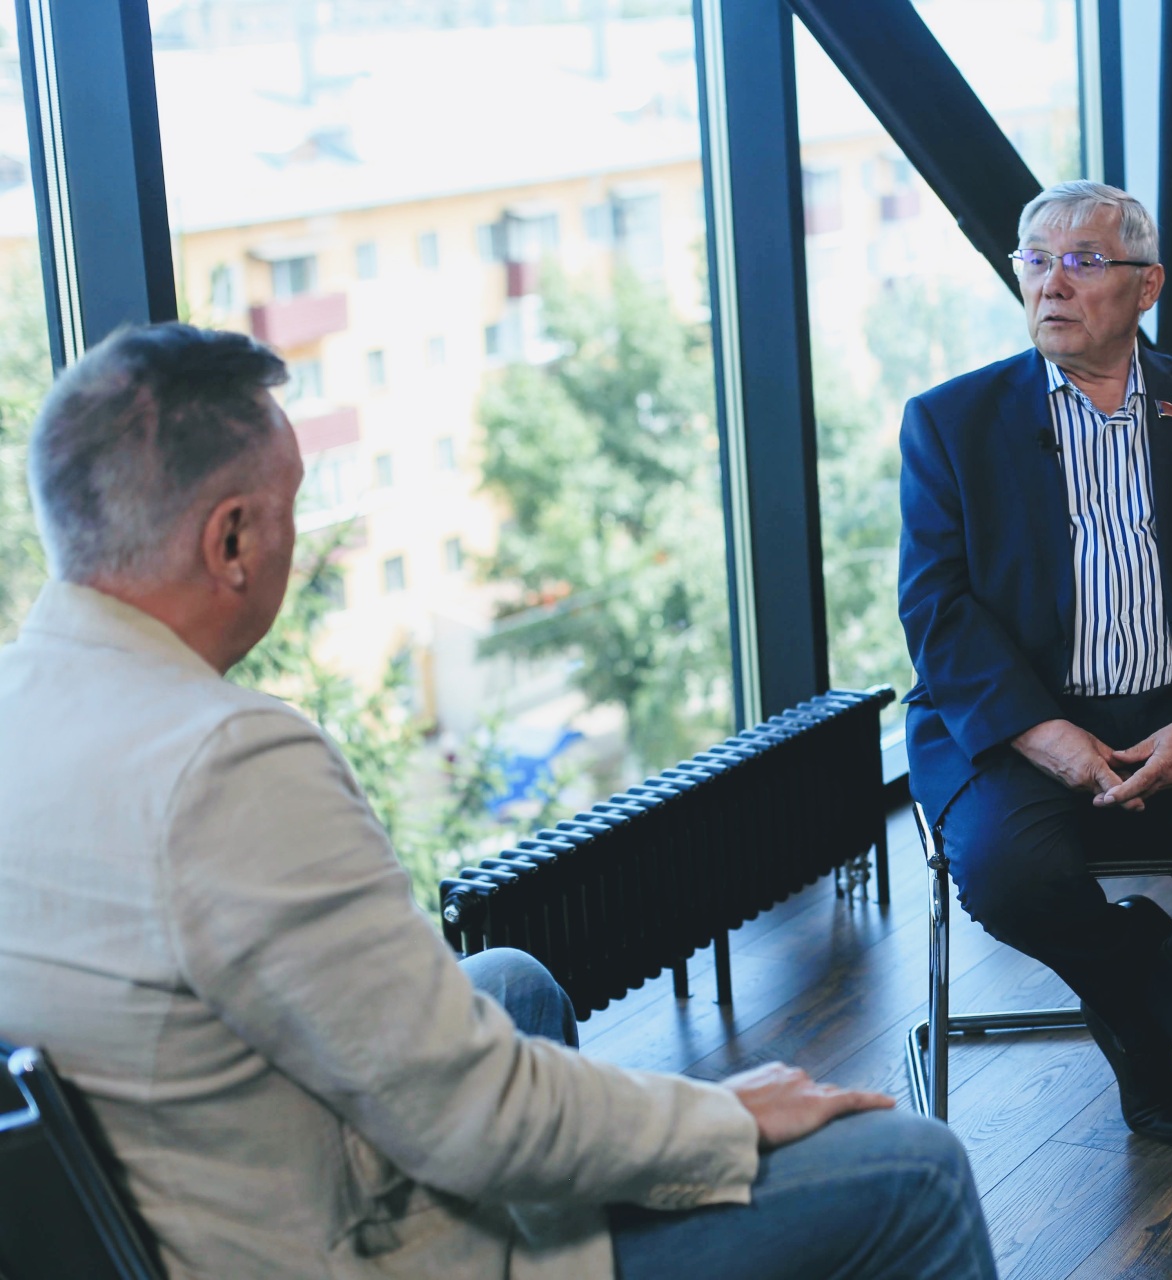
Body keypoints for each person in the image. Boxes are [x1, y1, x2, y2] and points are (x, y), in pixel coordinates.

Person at [0, 323, 997, 1280]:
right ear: (231, 538)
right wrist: (723, 1117)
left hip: (194, 1174)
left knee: (509, 979)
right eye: (292, 507)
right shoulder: (226, 762)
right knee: (915, 1170)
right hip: (330, 1250)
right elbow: (473, 1117)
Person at [897, 181, 1172, 1146]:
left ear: (1148, 286)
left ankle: (1150, 1008)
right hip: (1020, 720)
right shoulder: (950, 422)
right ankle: (1146, 1010)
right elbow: (936, 606)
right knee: (1007, 875)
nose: (1051, 283)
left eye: (1084, 261)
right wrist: (1038, 731)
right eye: (1035, 259)